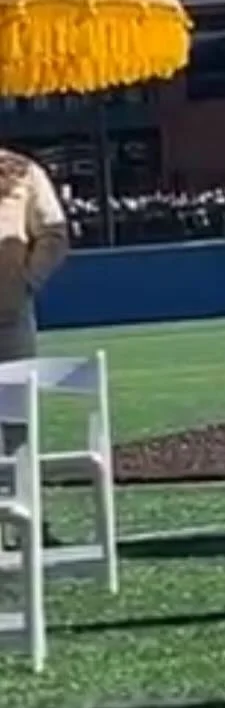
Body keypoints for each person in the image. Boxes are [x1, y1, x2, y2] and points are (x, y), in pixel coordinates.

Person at [0, 149, 71, 546]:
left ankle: (29, 523)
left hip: (7, 319)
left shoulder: (21, 172)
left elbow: (54, 232)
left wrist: (28, 279)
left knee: (17, 427)